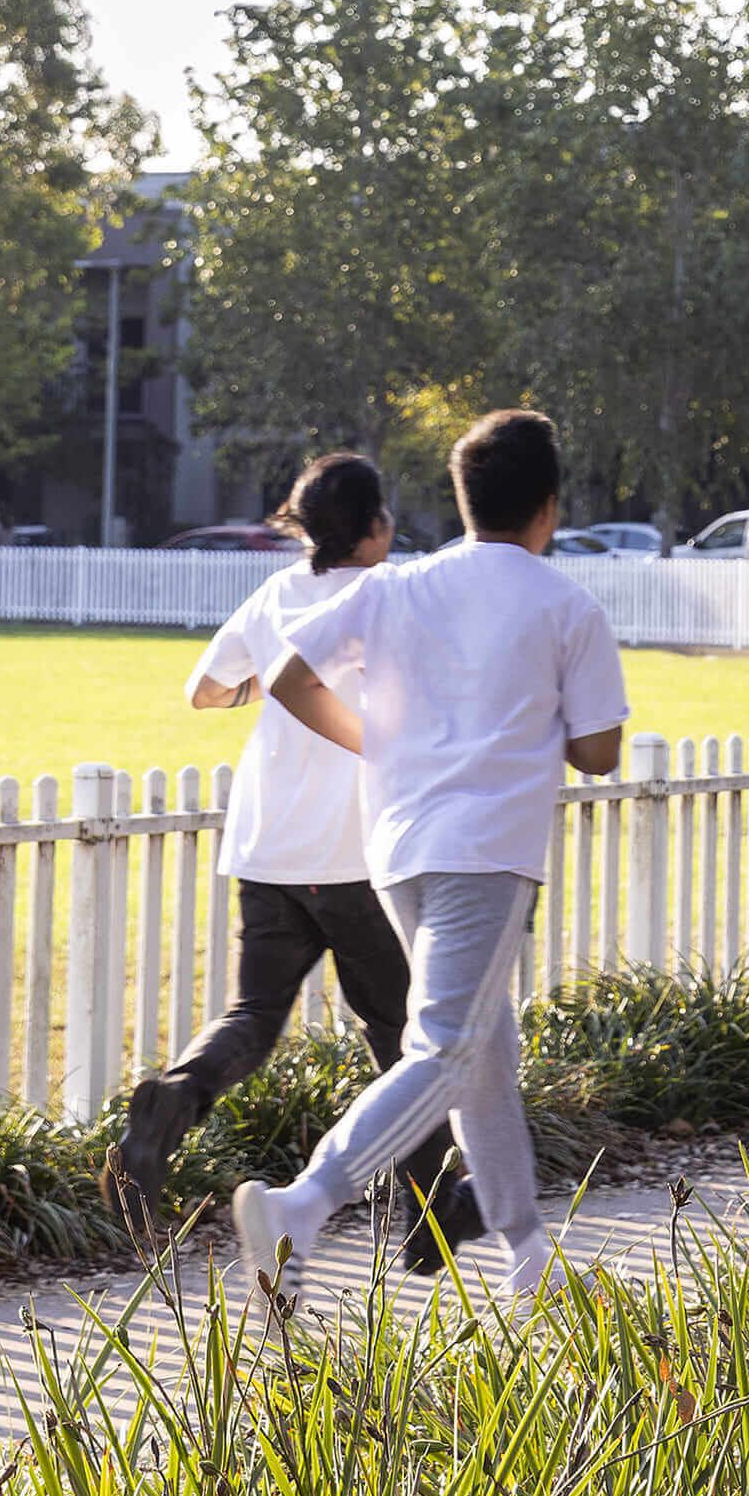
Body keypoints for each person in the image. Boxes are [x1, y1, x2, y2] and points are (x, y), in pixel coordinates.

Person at [234, 409, 627, 1301]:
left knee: (484, 1047)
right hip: (487, 854)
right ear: (550, 507)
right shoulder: (566, 605)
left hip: (399, 848)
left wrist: (379, 743)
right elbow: (598, 752)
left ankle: (528, 1254)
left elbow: (290, 680)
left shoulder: (397, 588)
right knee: (447, 1047)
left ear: (463, 499)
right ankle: (303, 1205)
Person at [105, 453, 484, 1274]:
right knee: (404, 1038)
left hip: (269, 843)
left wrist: (262, 689)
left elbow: (206, 691)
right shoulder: (394, 596)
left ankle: (175, 1097)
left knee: (254, 1013)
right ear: (374, 527)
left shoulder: (276, 594)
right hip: (358, 849)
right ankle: (429, 1220)